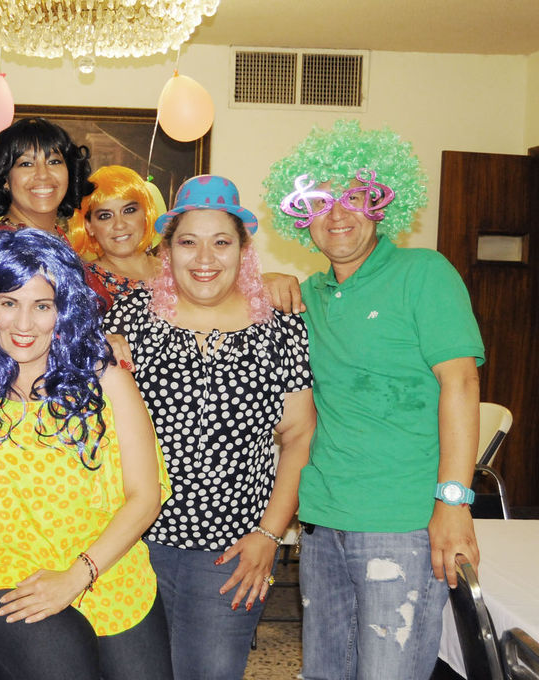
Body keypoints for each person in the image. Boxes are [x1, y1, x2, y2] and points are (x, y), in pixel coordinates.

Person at [262, 119, 484, 680]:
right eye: (320, 201)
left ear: (382, 204)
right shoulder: (308, 295)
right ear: (301, 216)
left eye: (354, 197)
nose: (337, 214)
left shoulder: (424, 272)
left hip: (403, 524)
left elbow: (461, 384)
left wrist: (454, 502)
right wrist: (262, 280)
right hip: (321, 521)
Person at [100, 175, 316, 680]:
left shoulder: (281, 327)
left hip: (233, 553)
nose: (204, 258)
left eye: (221, 242)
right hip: (133, 543)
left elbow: (299, 436)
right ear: (167, 249)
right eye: (188, 242)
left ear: (243, 250)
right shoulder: (130, 317)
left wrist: (269, 535)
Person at [0, 228, 173, 680]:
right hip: (2, 581)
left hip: (109, 574)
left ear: (63, 310)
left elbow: (146, 496)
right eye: (8, 303)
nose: (24, 324)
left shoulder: (105, 379)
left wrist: (78, 575)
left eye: (42, 306)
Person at [66, 165, 161, 312]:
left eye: (129, 210)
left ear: (146, 214)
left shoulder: (175, 270)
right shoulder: (83, 283)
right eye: (105, 216)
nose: (119, 225)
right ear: (89, 226)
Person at [0, 117, 94, 238]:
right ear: (4, 178)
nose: (43, 175)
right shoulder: (10, 245)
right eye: (26, 164)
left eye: (54, 162)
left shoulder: (54, 234)